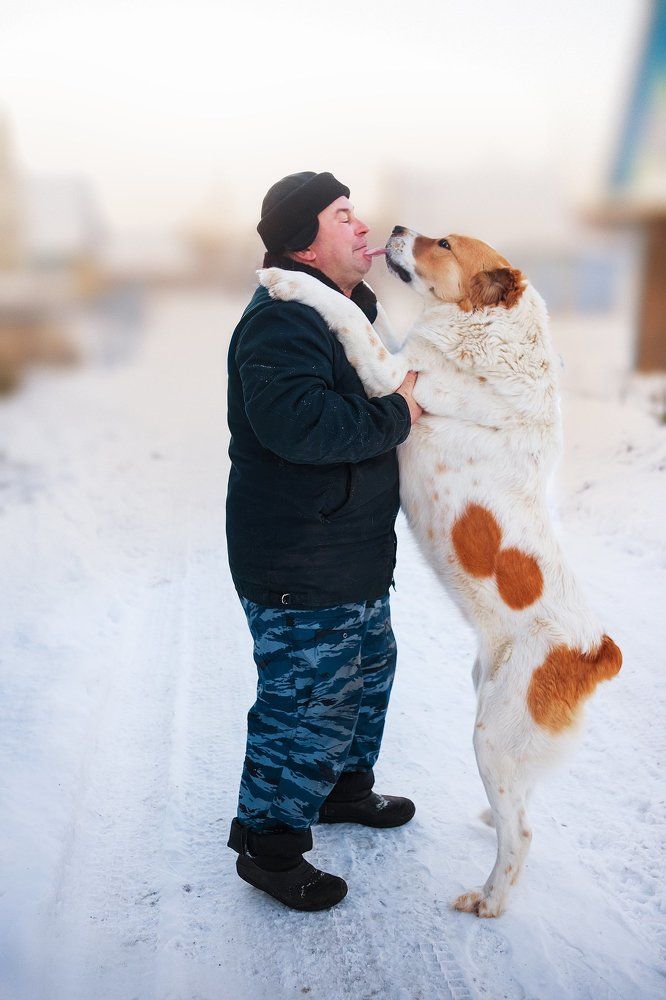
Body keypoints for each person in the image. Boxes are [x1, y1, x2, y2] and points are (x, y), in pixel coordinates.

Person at [226, 171, 422, 911]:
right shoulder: (284, 319)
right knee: (308, 700)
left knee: (366, 676)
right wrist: (399, 416)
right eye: (345, 217)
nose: (363, 226)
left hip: (349, 548)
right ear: (305, 241)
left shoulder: (343, 312)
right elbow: (297, 424)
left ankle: (343, 789)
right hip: (298, 556)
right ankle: (271, 848)